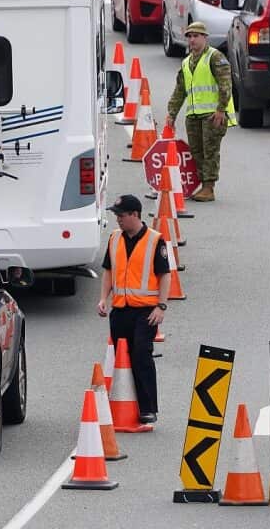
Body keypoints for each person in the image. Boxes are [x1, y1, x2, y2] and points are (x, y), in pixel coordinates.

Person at [96, 194, 171, 423]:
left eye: (121, 215)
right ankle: (124, 403)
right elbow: (108, 271)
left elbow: (165, 274)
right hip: (120, 309)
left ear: (135, 215)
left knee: (141, 354)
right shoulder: (114, 239)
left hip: (146, 311)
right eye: (116, 215)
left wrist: (161, 306)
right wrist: (103, 299)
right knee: (122, 357)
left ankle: (148, 408)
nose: (117, 219)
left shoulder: (154, 240)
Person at [166, 21, 234, 202]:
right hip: (194, 115)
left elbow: (225, 85)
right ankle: (203, 185)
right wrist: (171, 113)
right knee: (196, 152)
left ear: (205, 38)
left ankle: (209, 187)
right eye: (189, 36)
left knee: (210, 152)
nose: (192, 40)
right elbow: (180, 90)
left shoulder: (215, 57)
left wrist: (221, 110)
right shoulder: (187, 62)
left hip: (212, 115)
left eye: (196, 36)